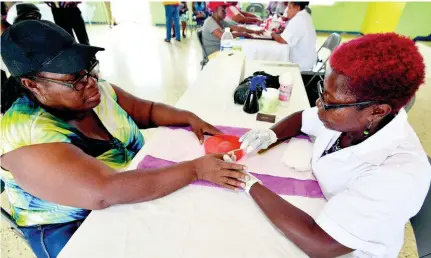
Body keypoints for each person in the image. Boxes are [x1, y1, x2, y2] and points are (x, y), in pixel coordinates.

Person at [0, 20, 248, 257]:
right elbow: (103, 191)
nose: (90, 82)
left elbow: (147, 111)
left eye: (88, 68)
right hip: (71, 227)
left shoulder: (94, 91)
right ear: (31, 84)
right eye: (74, 79)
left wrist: (188, 117)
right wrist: (195, 170)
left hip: (129, 189)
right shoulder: (25, 135)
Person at [238, 33, 431, 258]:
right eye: (322, 93)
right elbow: (302, 118)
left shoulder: (399, 174)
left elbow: (320, 244)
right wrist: (271, 134)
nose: (319, 105)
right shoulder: (348, 118)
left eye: (331, 102)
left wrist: (247, 181)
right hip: (322, 209)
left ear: (377, 111)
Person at [271, 2, 316, 71]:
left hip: (301, 64)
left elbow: (283, 40)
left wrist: (272, 34)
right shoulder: (305, 15)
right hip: (308, 60)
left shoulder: (298, 19)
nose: (287, 11)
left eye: (289, 8)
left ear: (297, 8)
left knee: (273, 61)